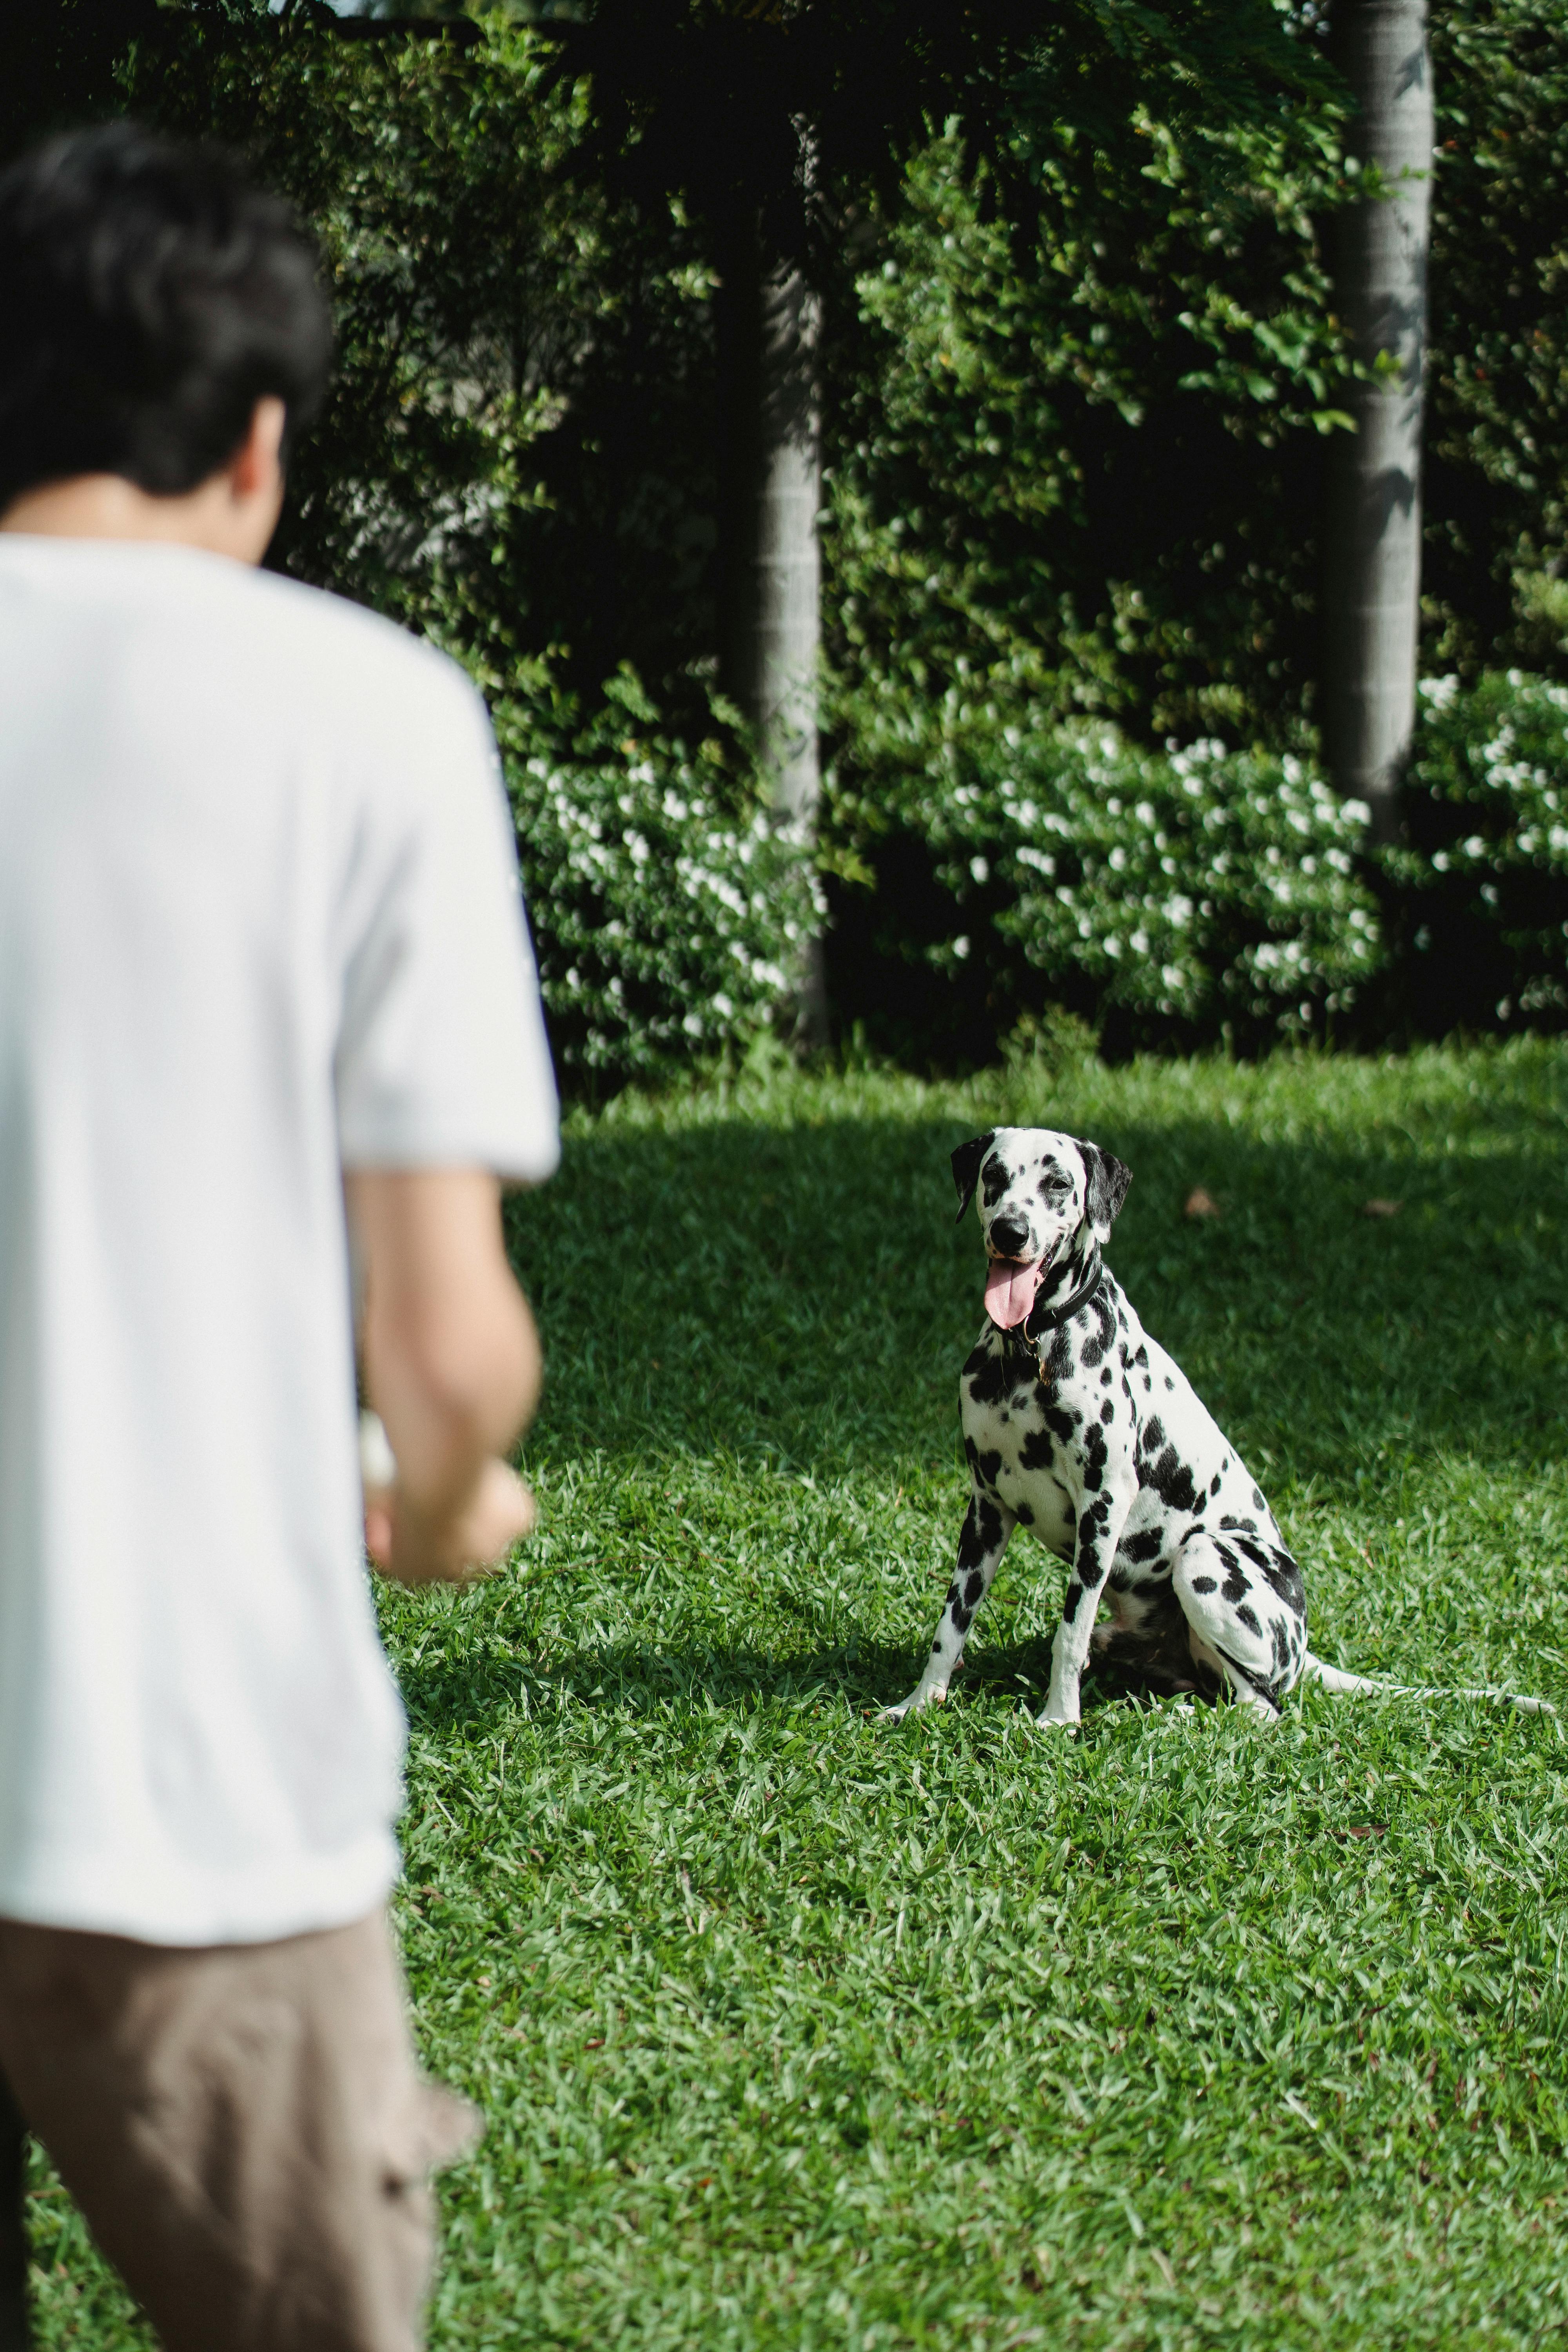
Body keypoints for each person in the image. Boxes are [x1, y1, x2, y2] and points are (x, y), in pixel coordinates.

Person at [0, 122, 560, 2350]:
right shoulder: (367, 717)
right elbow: (448, 1348)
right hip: (185, 1797)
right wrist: (450, 1494)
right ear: (256, 446)